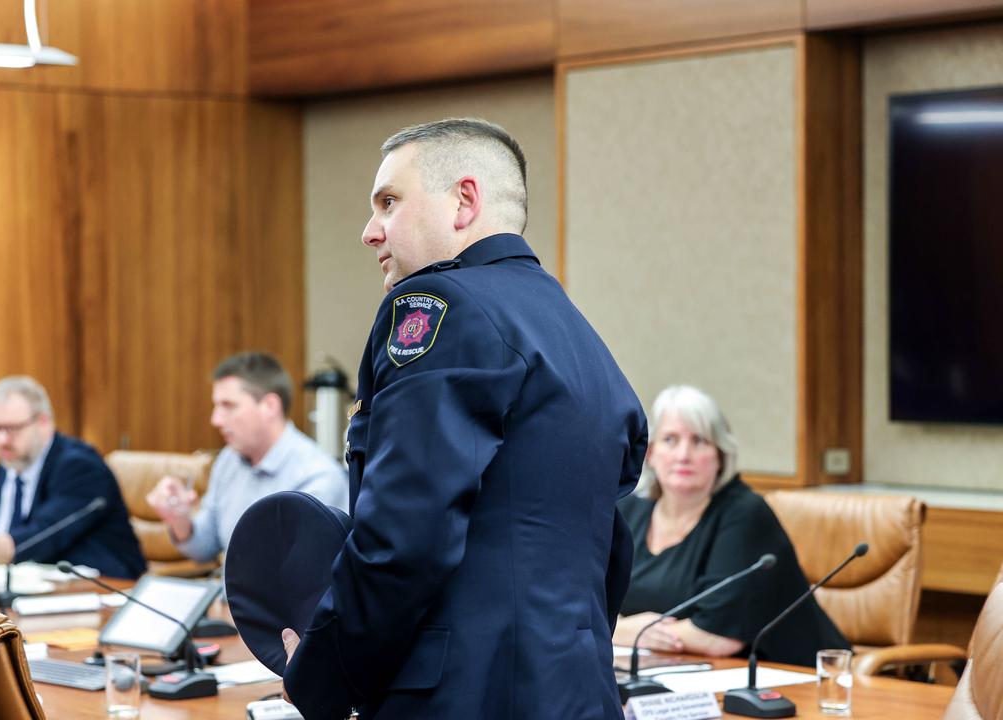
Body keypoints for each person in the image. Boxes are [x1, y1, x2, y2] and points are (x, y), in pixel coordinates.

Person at [280, 118, 648, 720]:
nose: (370, 231)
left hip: (460, 696)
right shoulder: (575, 331)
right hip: (576, 690)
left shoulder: (439, 306)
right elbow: (608, 549)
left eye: (389, 203)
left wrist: (321, 675)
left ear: (465, 201)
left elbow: (405, 534)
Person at [614, 385, 848, 666]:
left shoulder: (744, 514)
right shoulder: (628, 510)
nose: (683, 455)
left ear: (720, 455)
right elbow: (590, 604)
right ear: (649, 453)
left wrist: (626, 630)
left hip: (791, 678)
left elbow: (718, 638)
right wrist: (621, 630)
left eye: (699, 441)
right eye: (670, 440)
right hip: (669, 671)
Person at [147, 352, 347, 565]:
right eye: (216, 406)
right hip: (228, 597)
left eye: (228, 405)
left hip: (274, 599)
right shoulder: (228, 460)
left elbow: (302, 577)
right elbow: (205, 547)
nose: (215, 419)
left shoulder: (319, 478)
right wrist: (179, 519)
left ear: (269, 406)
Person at [0, 375, 145, 579]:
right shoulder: (7, 468)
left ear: (43, 422)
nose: (2, 440)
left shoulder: (81, 466)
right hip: (26, 589)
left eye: (12, 429)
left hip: (105, 587)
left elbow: (46, 535)